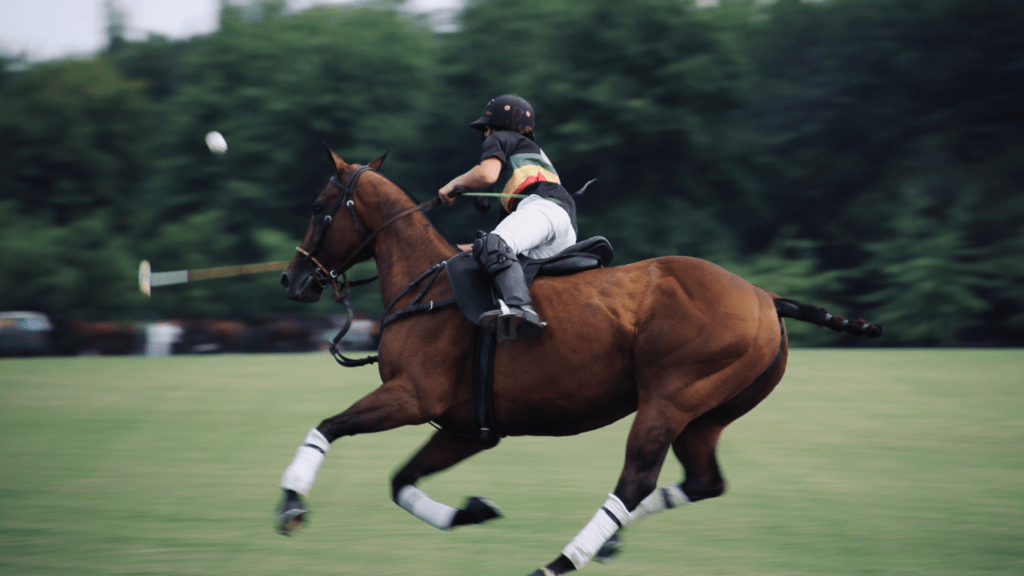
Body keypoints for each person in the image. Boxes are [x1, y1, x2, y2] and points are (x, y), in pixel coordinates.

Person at [438, 94, 578, 340]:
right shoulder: (532, 161)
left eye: (486, 130)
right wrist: (452, 251)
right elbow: (493, 250)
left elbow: (487, 175)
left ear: (490, 128)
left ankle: (520, 309)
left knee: (495, 245)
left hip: (543, 209)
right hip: (564, 227)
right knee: (494, 250)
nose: (486, 134)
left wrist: (454, 184)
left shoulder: (500, 137)